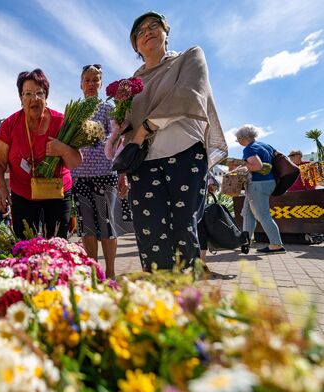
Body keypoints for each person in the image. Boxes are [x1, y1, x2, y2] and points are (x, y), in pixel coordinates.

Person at [110, 11, 228, 271]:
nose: (148, 31)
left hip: (185, 155)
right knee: (149, 234)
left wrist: (145, 128)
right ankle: (160, 300)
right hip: (143, 163)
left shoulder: (189, 57)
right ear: (136, 46)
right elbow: (127, 128)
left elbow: (187, 95)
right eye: (140, 31)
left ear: (166, 32)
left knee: (183, 230)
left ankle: (186, 300)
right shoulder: (132, 84)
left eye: (154, 26)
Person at [0, 69, 82, 239]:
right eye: (28, 93)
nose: (35, 98)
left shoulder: (61, 122)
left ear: (46, 97)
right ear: (21, 98)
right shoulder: (10, 125)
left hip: (57, 192)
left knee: (56, 243)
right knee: (24, 244)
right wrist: (2, 189)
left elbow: (75, 162)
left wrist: (62, 149)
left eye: (39, 93)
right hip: (23, 194)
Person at [71, 64, 133, 279]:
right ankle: (92, 273)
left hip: (105, 174)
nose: (91, 84)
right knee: (86, 228)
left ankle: (111, 273)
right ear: (80, 84)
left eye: (95, 80)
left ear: (100, 83)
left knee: (108, 226)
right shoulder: (74, 112)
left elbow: (118, 142)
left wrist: (122, 173)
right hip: (79, 175)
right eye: (87, 80)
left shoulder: (108, 110)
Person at [235, 125, 285, 253]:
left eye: (237, 139)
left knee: (263, 215)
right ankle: (245, 242)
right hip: (268, 182)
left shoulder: (249, 149)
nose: (238, 142)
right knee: (247, 213)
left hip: (257, 184)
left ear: (242, 138)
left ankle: (276, 244)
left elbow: (257, 166)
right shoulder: (265, 146)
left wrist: (240, 164)